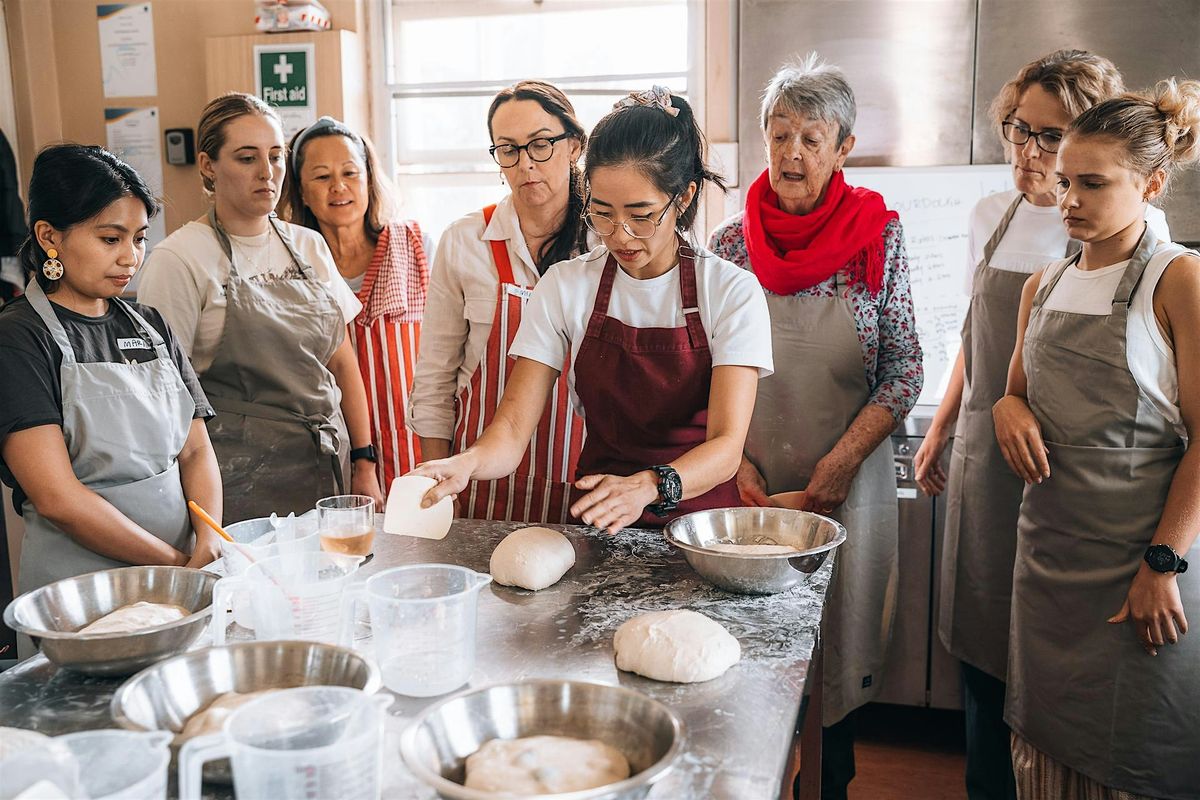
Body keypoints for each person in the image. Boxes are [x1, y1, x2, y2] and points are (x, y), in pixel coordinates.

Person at [910, 51, 1170, 800]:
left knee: (1061, 660)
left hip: (1076, 488)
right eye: (1018, 130)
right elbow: (974, 334)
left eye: (1050, 138)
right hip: (985, 464)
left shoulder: (1125, 235)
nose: (1029, 154)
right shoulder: (989, 217)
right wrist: (945, 424)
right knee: (984, 650)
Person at [414, 87, 772, 532]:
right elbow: (510, 430)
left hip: (703, 527)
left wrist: (647, 486)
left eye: (641, 215)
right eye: (601, 213)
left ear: (682, 198)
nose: (619, 236)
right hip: (598, 521)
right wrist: (465, 463)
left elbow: (725, 447)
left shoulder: (730, 292)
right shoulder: (567, 286)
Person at [708, 55, 922, 799]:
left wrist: (837, 468)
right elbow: (704, 365)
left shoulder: (878, 237)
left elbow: (904, 369)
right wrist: (732, 465)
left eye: (810, 136)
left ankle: (827, 786)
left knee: (836, 652)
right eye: (779, 133)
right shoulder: (730, 246)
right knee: (753, 652)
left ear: (843, 148)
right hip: (753, 487)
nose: (791, 152)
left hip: (848, 486)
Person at [994, 79, 1200, 799]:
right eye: (1063, 181)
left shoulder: (1178, 281)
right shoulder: (1042, 285)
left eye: (1092, 183)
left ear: (1152, 183)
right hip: (1049, 566)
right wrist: (1006, 409)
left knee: (1137, 755)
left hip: (1141, 571)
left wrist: (1163, 563)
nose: (1069, 199)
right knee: (1043, 756)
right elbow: (1016, 392)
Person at [138, 93, 383, 522]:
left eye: (275, 156)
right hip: (237, 479)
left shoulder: (308, 245)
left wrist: (364, 463)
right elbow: (164, 398)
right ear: (208, 165)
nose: (267, 173)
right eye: (246, 158)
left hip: (327, 467)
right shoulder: (179, 258)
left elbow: (342, 360)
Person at [0, 144, 221, 595]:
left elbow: (195, 452)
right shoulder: (18, 339)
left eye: (139, 238)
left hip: (184, 574)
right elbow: (57, 498)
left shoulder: (151, 326)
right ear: (49, 237)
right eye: (110, 239)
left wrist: (210, 540)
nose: (130, 257)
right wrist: (177, 564)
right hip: (81, 591)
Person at [407, 80, 589, 523]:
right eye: (508, 149)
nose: (526, 164)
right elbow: (435, 380)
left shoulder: (604, 243)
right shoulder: (465, 241)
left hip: (584, 480)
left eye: (541, 144)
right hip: (477, 480)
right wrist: (440, 488)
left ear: (574, 147)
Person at [282, 116, 430, 491]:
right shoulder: (288, 263)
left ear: (368, 178)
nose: (339, 187)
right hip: (328, 450)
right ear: (300, 190)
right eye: (321, 177)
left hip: (415, 445)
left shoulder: (415, 245)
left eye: (350, 172)